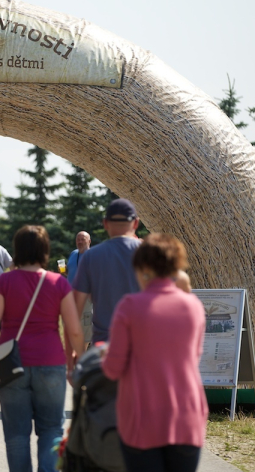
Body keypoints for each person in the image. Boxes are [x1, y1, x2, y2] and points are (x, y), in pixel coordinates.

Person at [0, 225, 85, 472]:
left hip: (11, 365)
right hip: (51, 363)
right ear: (45, 250)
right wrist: (80, 363)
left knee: (17, 433)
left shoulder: (4, 282)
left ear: (17, 250)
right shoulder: (58, 283)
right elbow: (73, 331)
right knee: (51, 429)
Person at [101, 233, 208, 472]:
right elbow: (193, 356)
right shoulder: (194, 307)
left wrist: (105, 356)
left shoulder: (129, 306)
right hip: (187, 418)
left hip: (142, 419)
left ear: (143, 267)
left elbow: (113, 369)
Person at [73, 199, 141, 343]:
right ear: (136, 223)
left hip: (104, 347)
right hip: (141, 344)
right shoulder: (152, 253)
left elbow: (75, 310)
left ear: (105, 223)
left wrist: (74, 352)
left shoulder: (90, 257)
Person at [67, 231, 92, 343]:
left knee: (86, 324)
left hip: (87, 297)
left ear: (89, 241)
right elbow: (71, 272)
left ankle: (85, 352)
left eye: (83, 239)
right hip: (71, 296)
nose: (80, 241)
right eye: (78, 239)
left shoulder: (93, 255)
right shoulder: (73, 253)